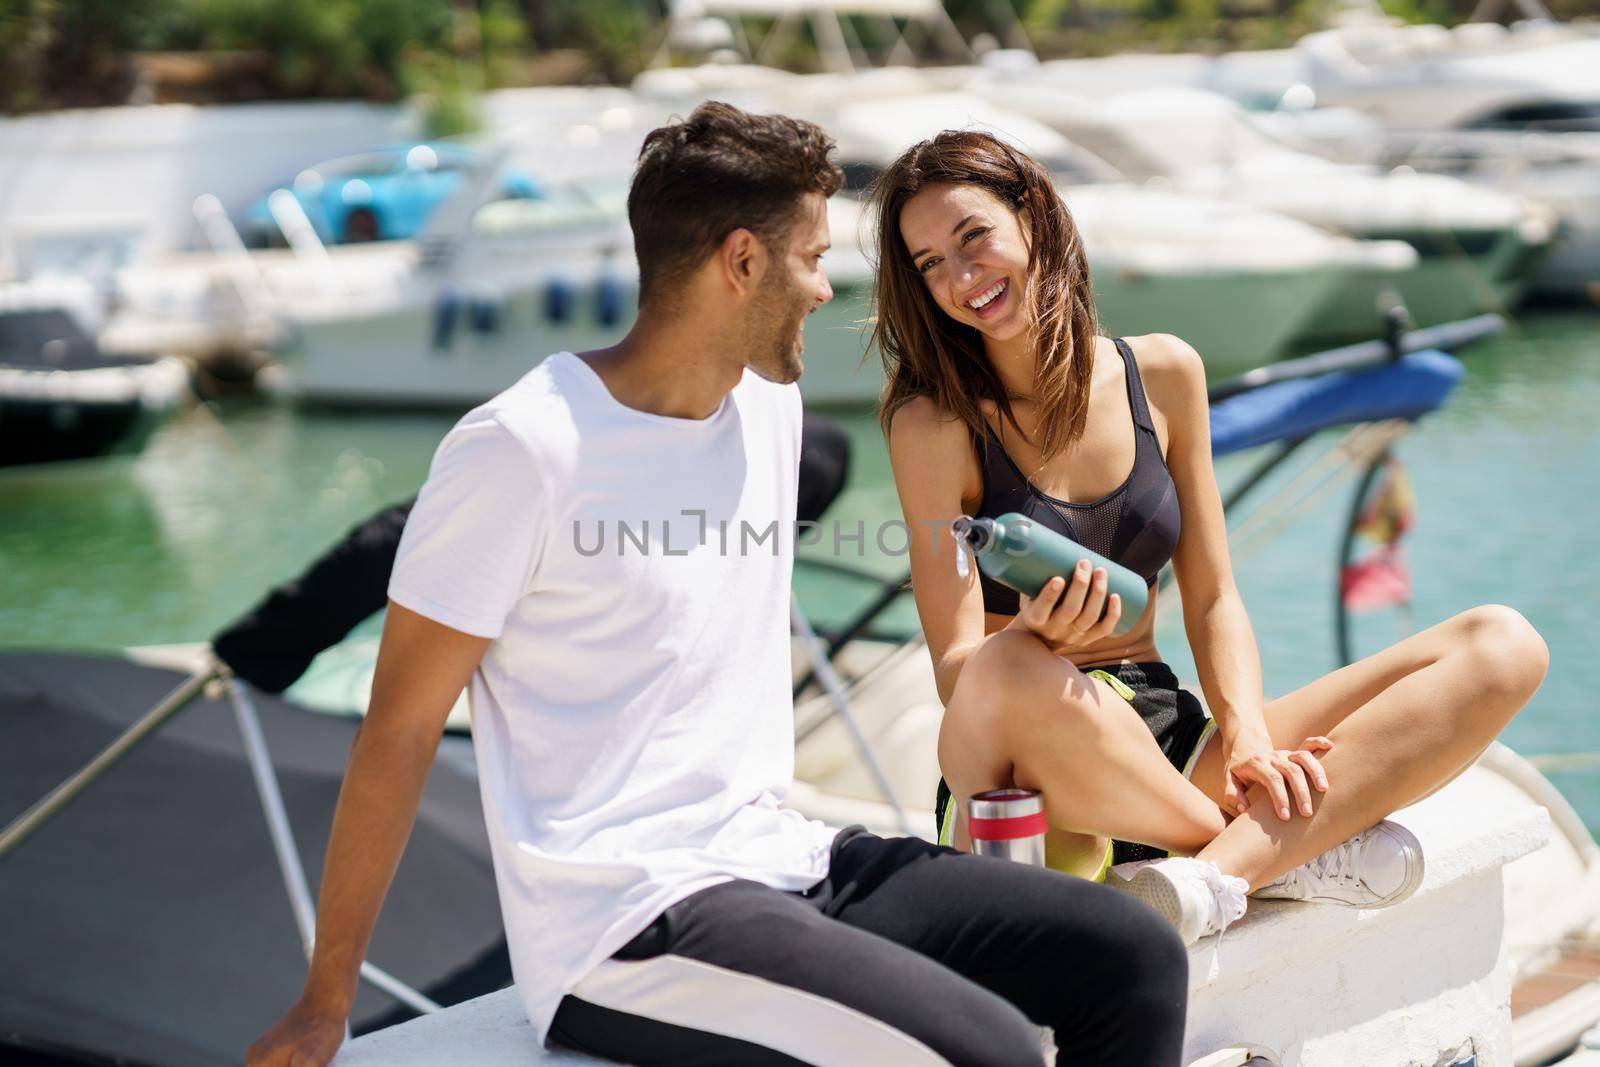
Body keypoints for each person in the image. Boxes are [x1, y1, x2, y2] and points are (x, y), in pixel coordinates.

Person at [246, 102, 1191, 1067]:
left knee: (1130, 954)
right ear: (742, 262)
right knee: (981, 1045)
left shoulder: (768, 409)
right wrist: (328, 1000)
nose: (829, 290)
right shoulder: (522, 448)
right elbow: (399, 727)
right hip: (624, 922)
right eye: (814, 258)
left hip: (784, 856)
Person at [871, 130, 1550, 946]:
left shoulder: (1162, 373)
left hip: (1167, 741)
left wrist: (1252, 740)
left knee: (1500, 645)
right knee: (1009, 664)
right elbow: (954, 670)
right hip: (1030, 766)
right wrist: (1029, 633)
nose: (959, 276)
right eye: (930, 264)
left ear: (1035, 218)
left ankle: (1212, 871)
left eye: (973, 237)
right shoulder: (930, 426)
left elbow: (1215, 595)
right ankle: (1270, 857)